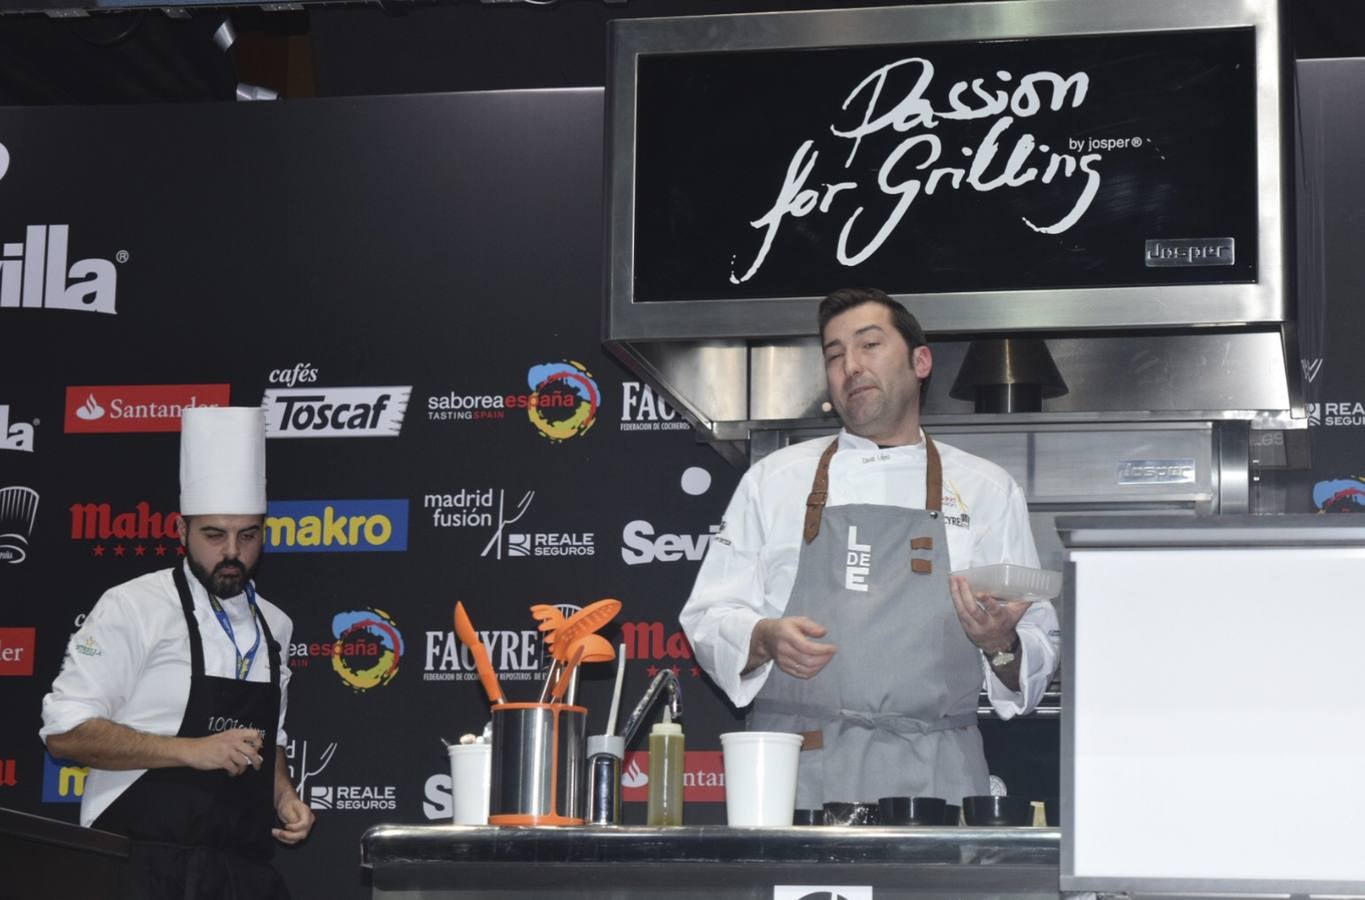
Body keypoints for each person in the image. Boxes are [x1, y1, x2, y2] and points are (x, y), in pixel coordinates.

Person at [680, 287, 1060, 808]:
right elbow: (708, 616)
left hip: (936, 775)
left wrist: (1001, 642)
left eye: (869, 345)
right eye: (834, 355)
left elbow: (1037, 646)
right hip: (794, 774)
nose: (851, 366)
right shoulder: (773, 481)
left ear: (920, 362)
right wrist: (763, 637)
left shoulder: (986, 490)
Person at [41, 406, 312, 899]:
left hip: (241, 874)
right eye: (214, 535)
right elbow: (66, 733)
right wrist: (190, 750)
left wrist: (283, 795)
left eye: (248, 535)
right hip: (138, 866)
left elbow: (270, 740)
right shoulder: (134, 606)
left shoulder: (275, 625)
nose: (232, 553)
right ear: (181, 530)